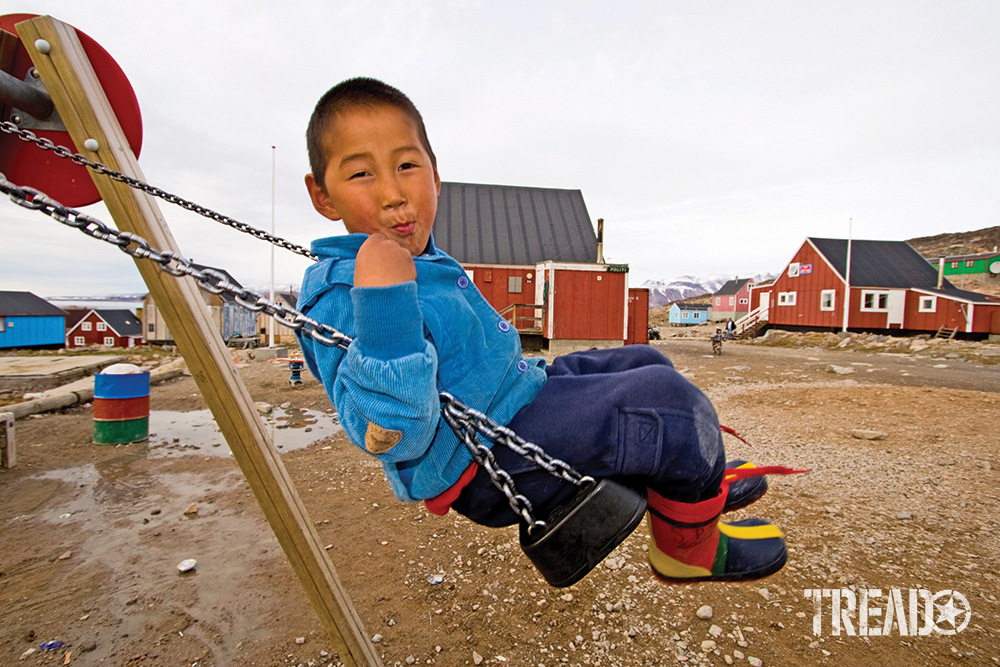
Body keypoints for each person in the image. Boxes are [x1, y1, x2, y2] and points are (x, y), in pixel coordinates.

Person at [296, 77, 792, 583]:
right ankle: (688, 551)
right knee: (672, 404)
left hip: (518, 392)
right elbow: (393, 436)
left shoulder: (419, 253)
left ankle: (686, 486)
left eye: (407, 165)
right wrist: (385, 303)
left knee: (646, 361)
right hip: (482, 458)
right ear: (323, 195)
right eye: (360, 173)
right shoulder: (342, 294)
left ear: (436, 174)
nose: (393, 194)